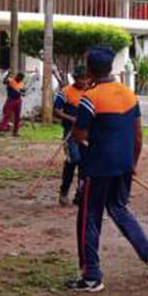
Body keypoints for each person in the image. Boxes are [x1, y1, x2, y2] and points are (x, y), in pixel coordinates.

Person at [69, 47, 148, 292]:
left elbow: (79, 134)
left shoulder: (90, 98)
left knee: (88, 217)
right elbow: (138, 136)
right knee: (119, 210)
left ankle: (91, 275)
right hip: (123, 165)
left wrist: (87, 136)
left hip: (98, 168)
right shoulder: (129, 95)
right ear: (111, 68)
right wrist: (132, 164)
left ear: (90, 70)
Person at [53, 66, 90, 206]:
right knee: (73, 160)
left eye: (87, 78)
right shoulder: (66, 92)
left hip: (87, 134)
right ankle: (64, 192)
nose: (85, 81)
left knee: (85, 164)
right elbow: (56, 111)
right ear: (75, 78)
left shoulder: (90, 92)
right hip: (70, 133)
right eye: (82, 78)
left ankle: (80, 195)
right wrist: (71, 119)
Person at [0, 72, 26, 136]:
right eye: (20, 78)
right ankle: (2, 131)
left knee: (17, 117)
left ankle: (15, 132)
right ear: (17, 76)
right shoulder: (11, 81)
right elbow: (4, 82)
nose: (20, 79)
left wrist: (22, 91)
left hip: (18, 101)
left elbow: (23, 91)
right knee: (7, 115)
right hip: (11, 100)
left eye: (22, 79)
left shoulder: (21, 83)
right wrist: (7, 75)